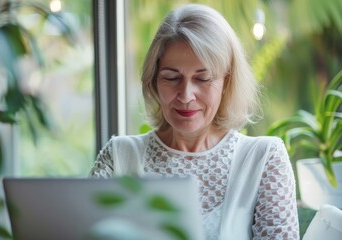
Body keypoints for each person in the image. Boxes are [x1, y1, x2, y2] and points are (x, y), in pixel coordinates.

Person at [89, 3, 299, 240]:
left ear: (226, 82)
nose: (186, 95)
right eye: (171, 77)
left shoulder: (263, 159)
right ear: (154, 81)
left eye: (203, 78)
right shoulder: (119, 156)